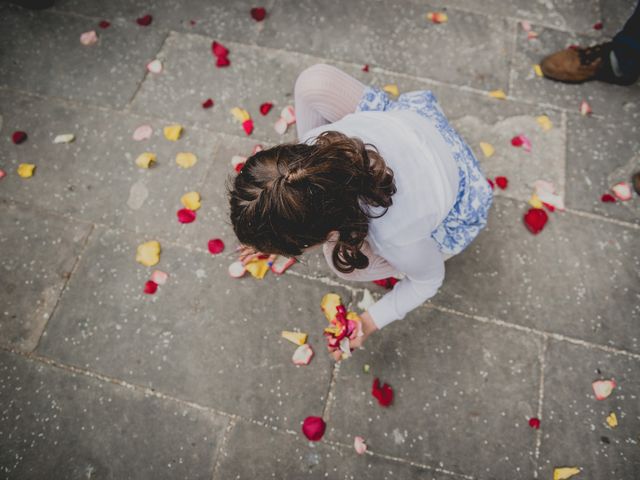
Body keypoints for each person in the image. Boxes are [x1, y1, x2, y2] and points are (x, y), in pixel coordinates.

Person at [228, 64, 493, 360]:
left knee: (347, 263)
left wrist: (368, 322)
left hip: (460, 187)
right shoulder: (315, 144)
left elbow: (428, 280)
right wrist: (283, 219)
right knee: (313, 82)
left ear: (329, 230)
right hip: (416, 127)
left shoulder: (395, 234)